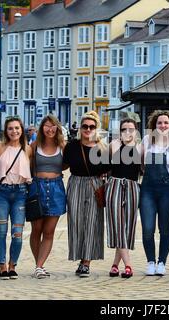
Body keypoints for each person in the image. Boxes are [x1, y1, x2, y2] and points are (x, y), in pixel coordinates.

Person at [63, 111, 109, 277]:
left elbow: (110, 169)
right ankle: (78, 255)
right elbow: (63, 165)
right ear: (80, 128)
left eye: (92, 126)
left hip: (95, 185)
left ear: (96, 128)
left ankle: (86, 262)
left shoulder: (103, 148)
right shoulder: (71, 146)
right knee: (75, 221)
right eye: (85, 126)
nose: (88, 129)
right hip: (75, 183)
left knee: (92, 223)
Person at [140, 110, 169, 276]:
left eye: (166, 123)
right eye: (159, 123)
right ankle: (151, 261)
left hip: (167, 190)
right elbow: (140, 164)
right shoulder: (147, 140)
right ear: (154, 125)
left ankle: (162, 262)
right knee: (147, 228)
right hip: (148, 190)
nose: (163, 125)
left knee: (165, 229)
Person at [0, 116, 32, 280]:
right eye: (10, 128)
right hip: (1, 193)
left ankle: (12, 265)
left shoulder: (27, 149)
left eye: (17, 128)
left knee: (17, 233)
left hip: (21, 193)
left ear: (21, 130)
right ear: (6, 131)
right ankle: (2, 266)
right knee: (1, 231)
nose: (14, 131)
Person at [29, 115, 67, 279]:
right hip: (37, 187)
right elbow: (27, 165)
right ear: (41, 128)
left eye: (53, 126)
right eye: (46, 126)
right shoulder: (34, 146)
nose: (50, 129)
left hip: (56, 188)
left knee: (49, 231)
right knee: (36, 230)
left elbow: (67, 164)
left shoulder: (62, 146)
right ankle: (39, 265)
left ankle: (39, 266)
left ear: (57, 128)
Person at [106, 118, 141, 278]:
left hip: (133, 187)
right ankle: (128, 266)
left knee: (127, 227)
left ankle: (115, 264)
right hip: (115, 185)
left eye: (131, 129)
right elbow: (103, 166)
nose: (127, 132)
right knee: (118, 224)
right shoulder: (113, 145)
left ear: (136, 131)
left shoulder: (141, 148)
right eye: (124, 129)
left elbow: (144, 170)